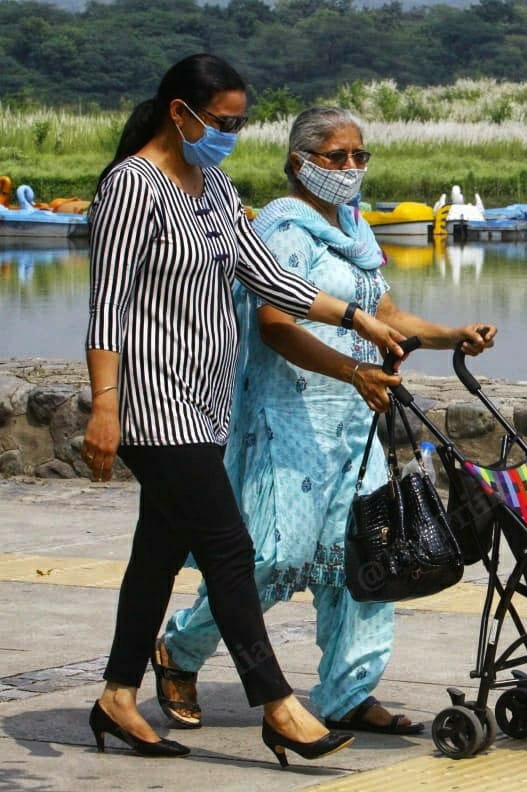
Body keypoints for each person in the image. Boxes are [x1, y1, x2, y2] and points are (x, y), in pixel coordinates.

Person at [82, 56, 406, 765]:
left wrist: (360, 318)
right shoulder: (131, 187)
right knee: (232, 551)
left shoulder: (215, 186)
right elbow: (107, 309)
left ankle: (115, 695)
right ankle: (279, 706)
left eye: (238, 123)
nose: (230, 134)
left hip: (205, 401)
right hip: (150, 400)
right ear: (180, 112)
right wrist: (105, 407)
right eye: (223, 122)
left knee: (156, 557)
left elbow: (269, 276)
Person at [150, 107, 497, 738]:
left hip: (357, 416)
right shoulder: (284, 230)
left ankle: (347, 691)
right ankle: (181, 647)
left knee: (366, 553)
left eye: (359, 156)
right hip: (294, 412)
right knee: (276, 558)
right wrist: (351, 369)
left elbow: (385, 311)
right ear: (299, 162)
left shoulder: (357, 230)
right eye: (336, 157)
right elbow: (275, 326)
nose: (350, 168)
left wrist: (452, 333)